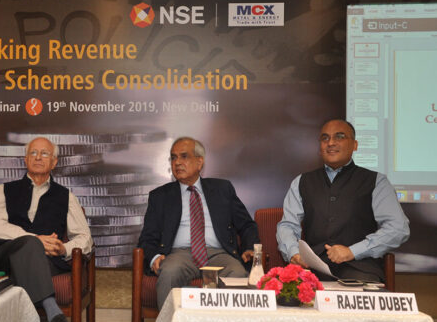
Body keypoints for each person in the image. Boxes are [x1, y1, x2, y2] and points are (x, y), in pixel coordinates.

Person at [0, 137, 93, 322]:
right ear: (25, 159)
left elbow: (85, 238)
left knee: (33, 254)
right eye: (33, 153)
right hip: (5, 256)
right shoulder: (2, 190)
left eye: (44, 153)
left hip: (45, 260)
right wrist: (35, 239)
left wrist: (63, 248)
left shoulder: (66, 197)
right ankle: (54, 313)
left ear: (54, 162)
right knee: (31, 244)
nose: (38, 157)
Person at [276, 119, 410, 282]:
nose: (331, 143)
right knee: (287, 291)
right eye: (325, 138)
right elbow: (288, 225)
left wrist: (353, 251)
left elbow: (398, 228)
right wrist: (293, 252)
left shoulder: (376, 181)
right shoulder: (301, 182)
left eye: (339, 137)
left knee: (360, 293)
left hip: (360, 267)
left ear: (355, 145)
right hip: (312, 268)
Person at [138, 137, 259, 310]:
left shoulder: (222, 189)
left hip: (218, 254)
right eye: (173, 158)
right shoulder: (160, 196)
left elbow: (247, 224)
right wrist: (154, 257)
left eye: (184, 156)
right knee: (169, 273)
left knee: (238, 273)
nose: (177, 162)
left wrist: (249, 247)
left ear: (199, 162)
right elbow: (147, 237)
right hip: (179, 255)